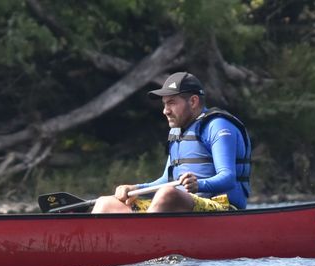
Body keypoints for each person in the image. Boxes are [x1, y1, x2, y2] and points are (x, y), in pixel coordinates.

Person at [92, 72, 251, 214]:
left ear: (193, 101)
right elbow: (166, 180)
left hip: (222, 208)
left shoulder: (217, 125)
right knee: (105, 203)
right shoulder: (176, 132)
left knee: (167, 194)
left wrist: (198, 185)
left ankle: (146, 242)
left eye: (172, 103)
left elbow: (228, 178)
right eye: (164, 103)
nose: (165, 110)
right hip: (179, 206)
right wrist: (136, 189)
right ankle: (101, 245)